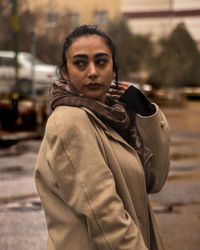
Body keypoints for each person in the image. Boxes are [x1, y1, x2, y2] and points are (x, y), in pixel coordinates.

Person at [35, 25, 170, 250]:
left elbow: (155, 180)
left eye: (101, 62)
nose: (92, 72)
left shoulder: (115, 118)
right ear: (65, 72)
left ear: (113, 69)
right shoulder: (70, 121)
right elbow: (105, 216)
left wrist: (146, 113)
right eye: (80, 63)